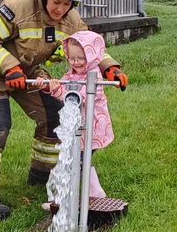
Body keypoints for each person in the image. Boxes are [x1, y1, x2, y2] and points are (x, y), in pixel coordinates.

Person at [0, 0, 128, 219]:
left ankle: (40, 175)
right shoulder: (16, 7)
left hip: (28, 74)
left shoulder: (71, 20)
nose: (61, 10)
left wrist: (110, 66)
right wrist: (10, 67)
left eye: (67, 4)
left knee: (55, 116)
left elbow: (90, 46)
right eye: (56, 1)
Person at [35, 31, 118, 199]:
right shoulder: (74, 72)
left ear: (92, 56)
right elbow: (62, 85)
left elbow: (76, 97)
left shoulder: (93, 76)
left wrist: (57, 89)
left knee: (77, 160)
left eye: (81, 58)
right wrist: (47, 86)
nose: (76, 62)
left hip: (92, 127)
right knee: (77, 160)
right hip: (80, 127)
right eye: (72, 58)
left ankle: (77, 197)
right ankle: (81, 196)